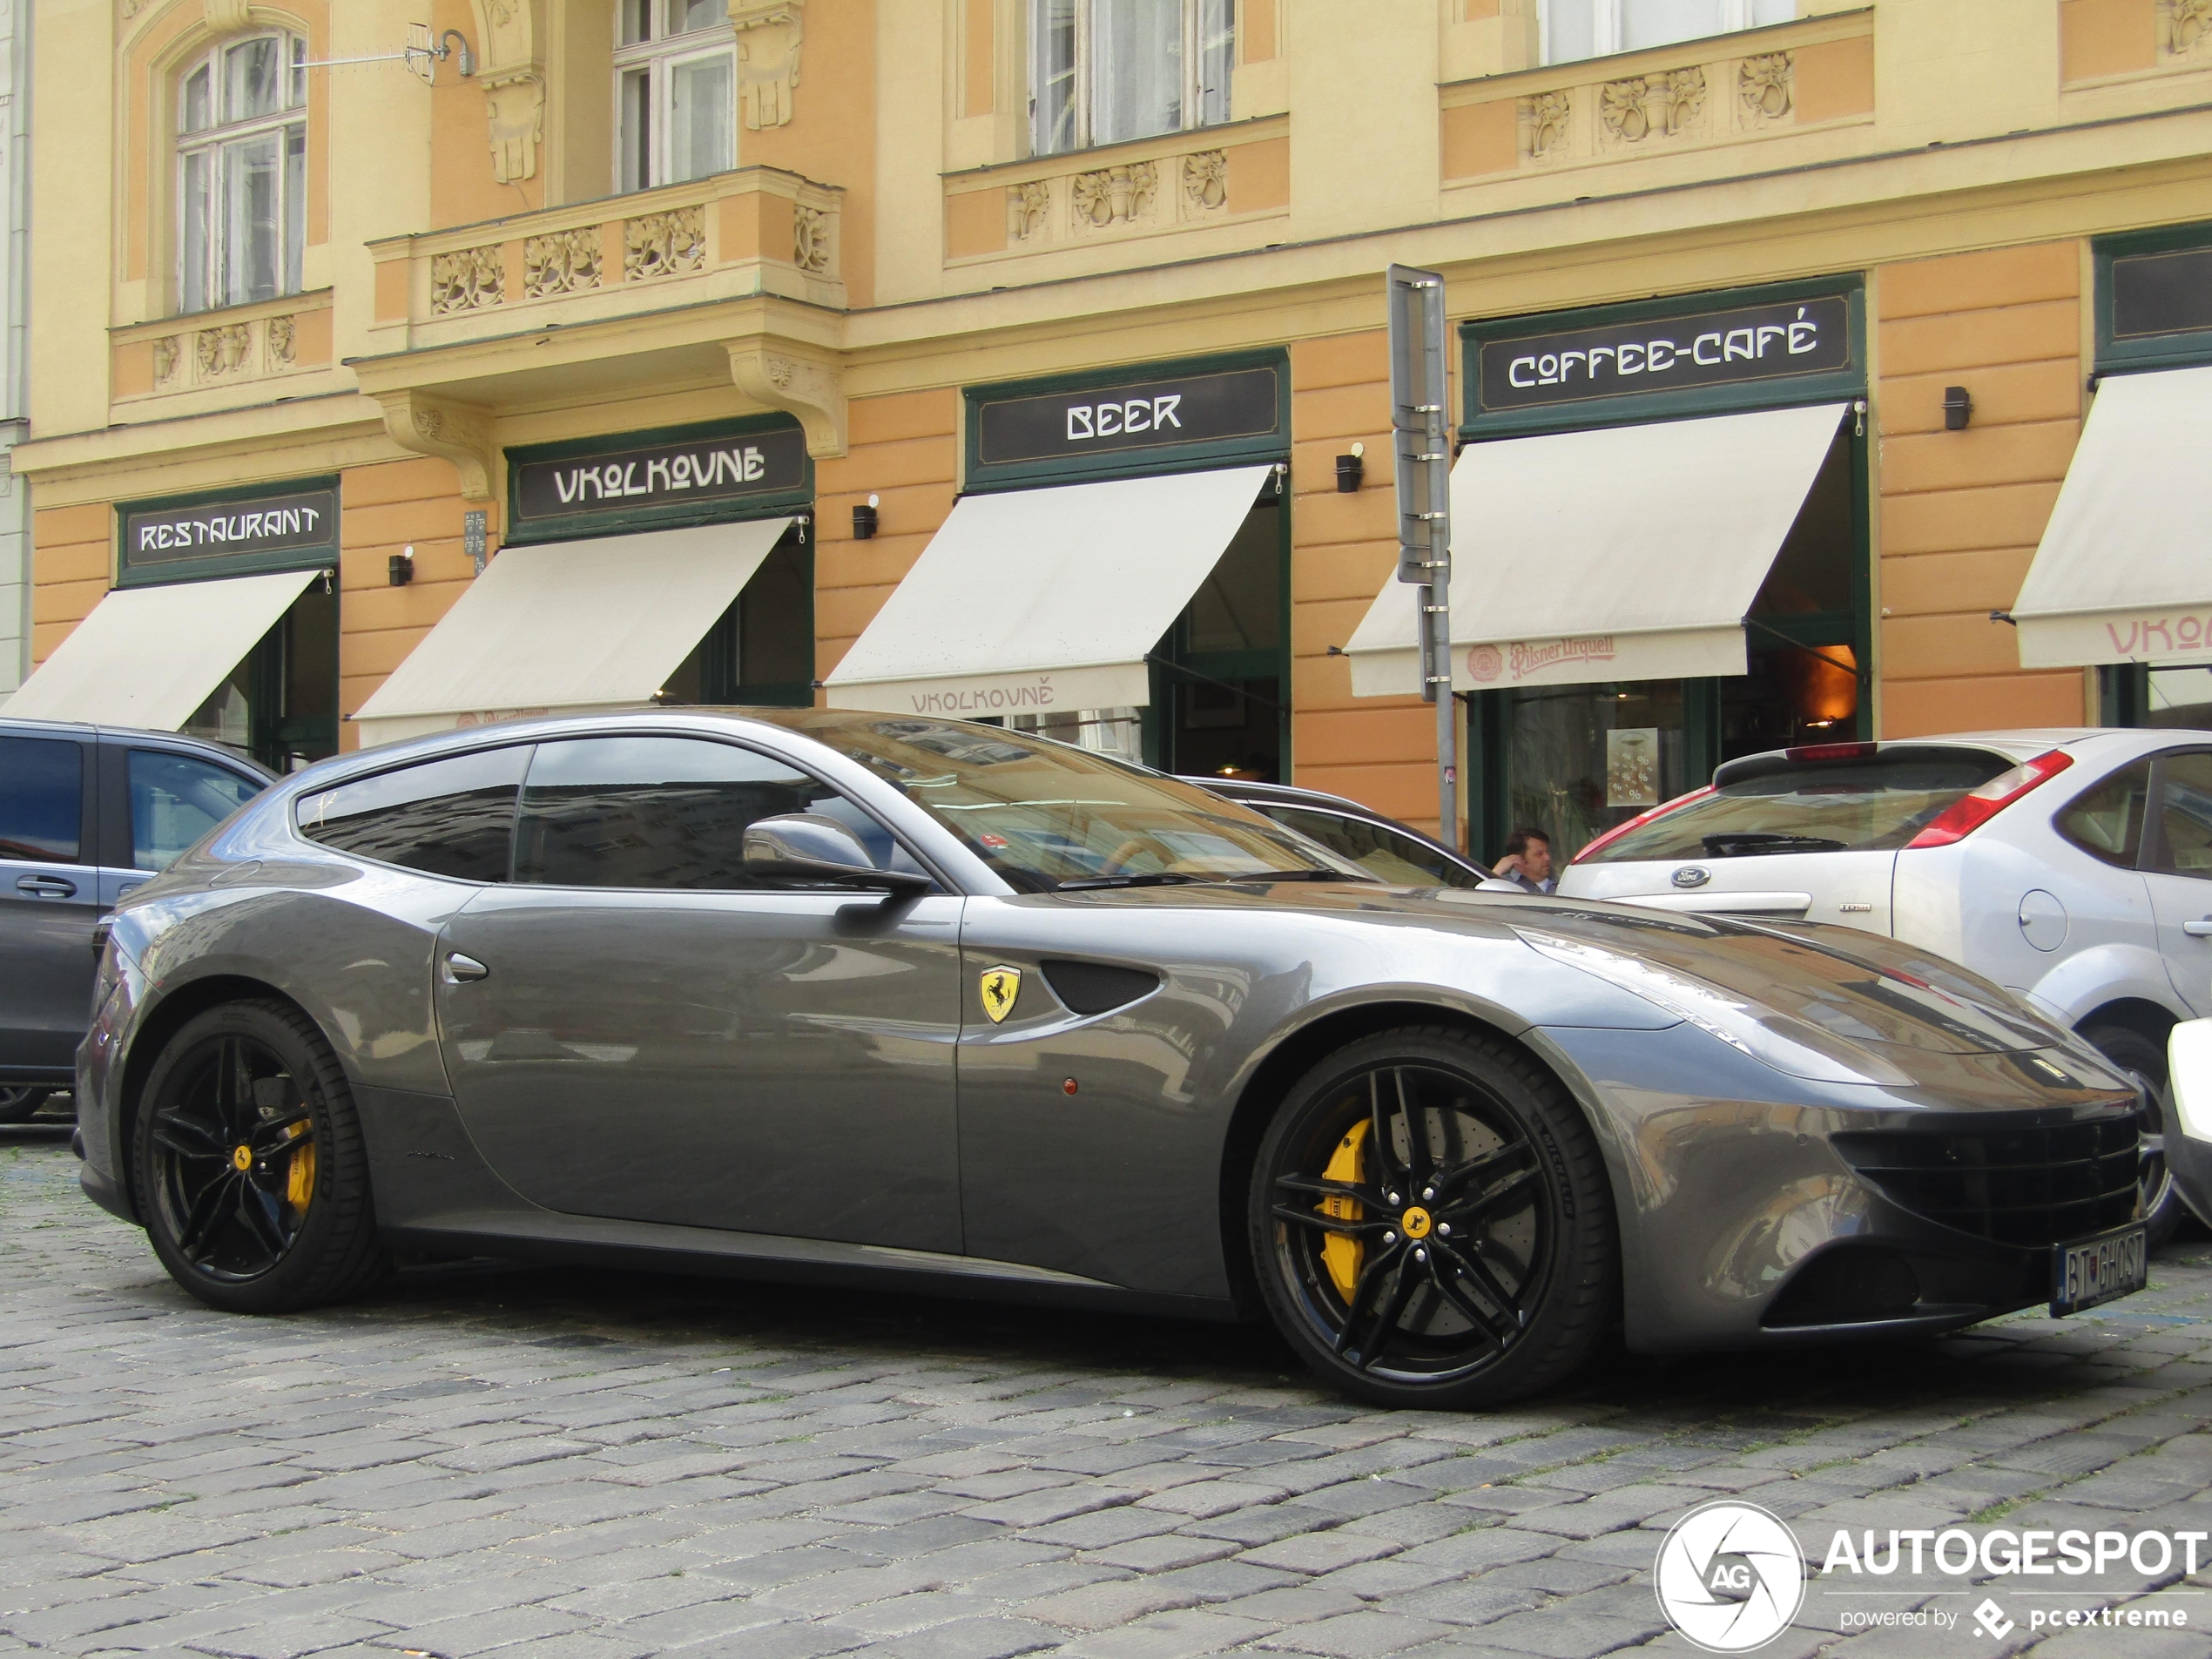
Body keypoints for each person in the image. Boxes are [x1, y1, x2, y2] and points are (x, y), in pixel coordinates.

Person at [1493, 827, 1555, 894]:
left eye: (1547, 852)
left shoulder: (1561, 883)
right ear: (1518, 858)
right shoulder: (1503, 884)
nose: (1547, 858)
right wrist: (1497, 871)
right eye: (1539, 854)